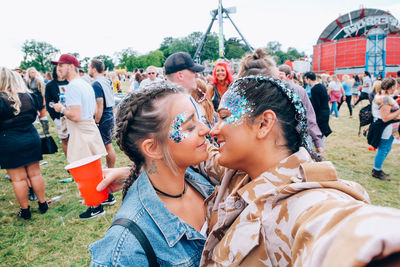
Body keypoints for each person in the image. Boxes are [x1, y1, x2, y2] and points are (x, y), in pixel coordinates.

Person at [99, 76, 400, 266]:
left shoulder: (304, 198)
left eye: (225, 117)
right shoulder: (238, 171)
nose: (211, 130)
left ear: (264, 124)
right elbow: (190, 160)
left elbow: (332, 224)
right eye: (193, 125)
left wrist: (373, 245)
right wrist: (136, 171)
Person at [90, 82, 214, 266]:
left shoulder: (203, 180)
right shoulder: (125, 246)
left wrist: (127, 174)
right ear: (153, 148)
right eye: (189, 127)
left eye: (199, 119)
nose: (206, 129)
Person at [52, 54, 107, 219]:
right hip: (88, 126)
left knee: (86, 170)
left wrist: (60, 108)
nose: (57, 69)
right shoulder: (84, 83)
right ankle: (105, 196)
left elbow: (75, 115)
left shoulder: (73, 87)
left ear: (70, 66)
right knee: (95, 166)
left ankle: (96, 206)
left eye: (61, 66)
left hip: (81, 128)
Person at [239, 49, 324, 156]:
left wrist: (317, 142)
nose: (278, 82)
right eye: (276, 78)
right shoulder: (243, 99)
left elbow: (308, 119)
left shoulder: (292, 91)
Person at [0, 67, 48, 220]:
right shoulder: (30, 96)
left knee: (18, 179)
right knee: (35, 173)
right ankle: (43, 203)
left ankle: (25, 210)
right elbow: (36, 115)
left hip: (9, 140)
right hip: (30, 136)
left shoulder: (1, 99)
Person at [88, 59, 117, 206]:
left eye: (88, 66)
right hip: (110, 114)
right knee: (108, 145)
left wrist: (96, 121)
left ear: (93, 69)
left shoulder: (96, 84)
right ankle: (110, 169)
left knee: (106, 146)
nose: (88, 69)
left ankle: (109, 170)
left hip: (103, 116)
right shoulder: (106, 80)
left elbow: (99, 104)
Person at [371, 77, 400, 181]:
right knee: (383, 148)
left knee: (386, 148)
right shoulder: (385, 99)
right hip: (387, 127)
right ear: (392, 87)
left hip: (390, 127)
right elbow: (385, 118)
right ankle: (376, 170)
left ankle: (378, 168)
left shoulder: (382, 95)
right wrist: (398, 111)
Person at [45, 66, 69, 156]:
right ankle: (70, 162)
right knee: (64, 139)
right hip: (59, 117)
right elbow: (48, 103)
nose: (61, 71)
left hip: (72, 115)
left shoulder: (70, 82)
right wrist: (54, 118)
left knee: (75, 140)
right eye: (58, 70)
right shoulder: (50, 85)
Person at [304, 71, 332, 147]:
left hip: (320, 114)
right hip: (325, 111)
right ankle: (320, 150)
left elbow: (316, 105)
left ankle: (320, 151)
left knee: (318, 133)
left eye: (305, 80)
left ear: (308, 79)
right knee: (321, 133)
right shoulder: (322, 86)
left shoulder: (314, 89)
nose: (306, 82)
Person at [25, 67, 49, 135]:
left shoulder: (38, 80)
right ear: (29, 74)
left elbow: (43, 91)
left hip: (40, 98)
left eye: (34, 72)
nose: (34, 73)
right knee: (35, 114)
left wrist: (44, 101)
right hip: (33, 98)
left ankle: (46, 130)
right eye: (32, 72)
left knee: (42, 114)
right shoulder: (28, 81)